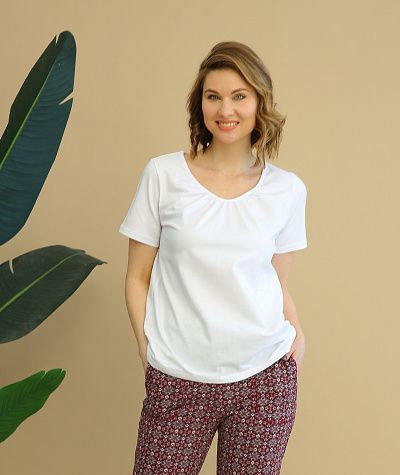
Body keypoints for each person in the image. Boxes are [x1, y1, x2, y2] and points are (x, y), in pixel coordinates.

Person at [119, 41, 308, 475]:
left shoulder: (287, 190)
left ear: (259, 103)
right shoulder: (163, 175)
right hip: (178, 378)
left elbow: (275, 282)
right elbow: (137, 277)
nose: (226, 109)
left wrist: (297, 336)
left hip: (264, 380)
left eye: (239, 96)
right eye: (213, 96)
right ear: (199, 103)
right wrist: (150, 353)